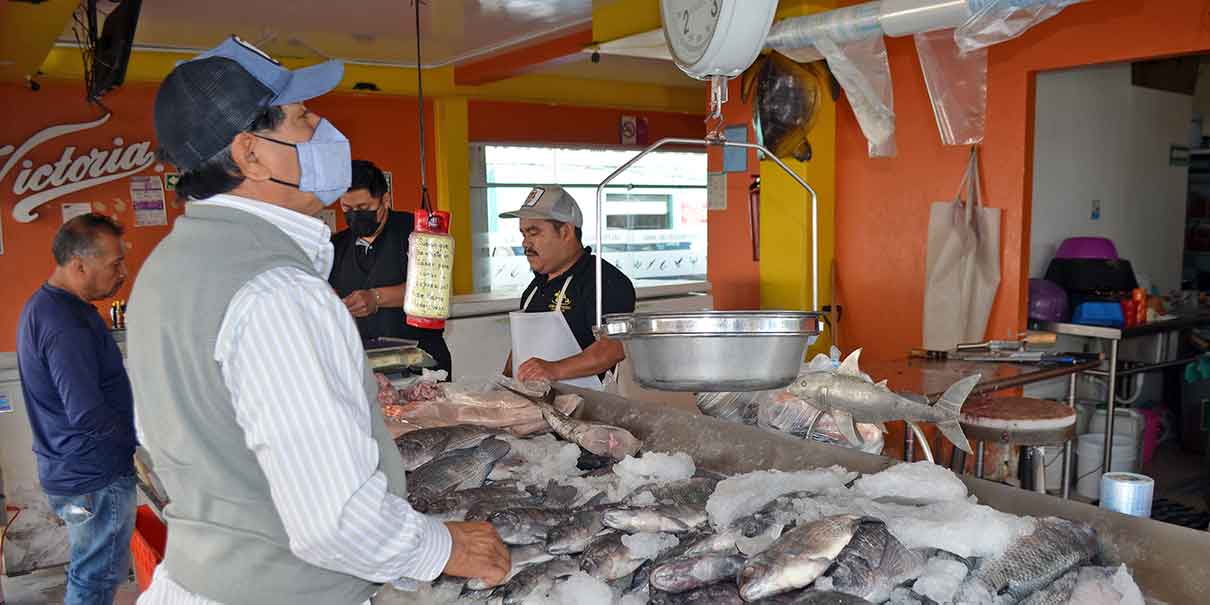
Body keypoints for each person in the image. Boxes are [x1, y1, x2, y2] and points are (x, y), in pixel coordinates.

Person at [125, 36, 508, 605]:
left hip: (201, 576)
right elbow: (336, 520)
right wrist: (443, 547)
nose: (322, 126)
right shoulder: (278, 291)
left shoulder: (164, 267)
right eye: (303, 118)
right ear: (250, 153)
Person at [16, 213, 137, 605]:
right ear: (79, 264)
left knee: (89, 574)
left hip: (75, 470)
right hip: (93, 476)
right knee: (93, 581)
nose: (123, 272)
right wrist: (140, 438)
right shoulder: (64, 322)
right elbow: (86, 413)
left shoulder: (49, 307)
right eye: (115, 262)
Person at [499, 185, 636, 387]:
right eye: (523, 234)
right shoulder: (535, 288)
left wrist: (554, 369)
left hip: (585, 407)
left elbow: (612, 349)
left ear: (565, 231)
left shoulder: (605, 281)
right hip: (535, 404)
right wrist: (503, 383)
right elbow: (522, 348)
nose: (525, 244)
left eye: (533, 233)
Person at [329, 159, 453, 376]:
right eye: (347, 209)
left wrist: (376, 298)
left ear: (385, 200)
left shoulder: (421, 232)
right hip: (365, 368)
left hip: (421, 363)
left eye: (364, 208)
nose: (355, 215)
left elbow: (437, 294)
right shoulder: (335, 246)